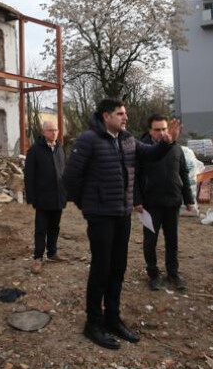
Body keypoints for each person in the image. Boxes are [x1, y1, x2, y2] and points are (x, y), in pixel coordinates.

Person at [63, 98, 181, 350]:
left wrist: (167, 141)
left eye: (125, 113)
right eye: (120, 114)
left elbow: (149, 155)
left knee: (118, 267)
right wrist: (83, 204)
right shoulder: (89, 139)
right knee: (101, 268)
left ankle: (112, 318)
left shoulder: (127, 138)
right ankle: (93, 323)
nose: (125, 117)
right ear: (106, 116)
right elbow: (71, 176)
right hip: (100, 215)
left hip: (122, 213)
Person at [134, 114, 195, 291]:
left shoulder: (177, 149)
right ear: (150, 131)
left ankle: (173, 273)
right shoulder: (142, 150)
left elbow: (183, 174)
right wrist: (137, 200)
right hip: (150, 204)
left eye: (164, 129)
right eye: (157, 129)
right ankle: (153, 274)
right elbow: (135, 177)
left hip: (172, 202)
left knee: (172, 240)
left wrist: (189, 199)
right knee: (150, 241)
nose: (161, 133)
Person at [24, 120, 67, 274]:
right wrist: (31, 197)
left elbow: (64, 171)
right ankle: (38, 257)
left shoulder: (60, 148)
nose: (54, 132)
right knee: (41, 229)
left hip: (58, 197)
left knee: (55, 227)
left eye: (56, 130)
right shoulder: (35, 150)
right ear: (43, 132)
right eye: (50, 130)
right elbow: (29, 176)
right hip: (42, 197)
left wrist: (66, 192)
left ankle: (52, 253)